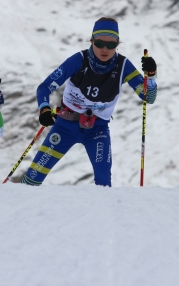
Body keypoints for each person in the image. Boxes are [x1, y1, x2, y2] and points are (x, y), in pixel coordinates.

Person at [20, 17, 158, 187]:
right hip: (65, 126)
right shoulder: (79, 60)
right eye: (99, 43)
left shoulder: (123, 66)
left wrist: (150, 75)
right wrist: (44, 109)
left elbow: (148, 97)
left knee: (103, 184)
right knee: (32, 179)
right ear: (91, 41)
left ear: (117, 44)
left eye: (111, 44)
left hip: (97, 130)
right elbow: (45, 86)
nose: (105, 49)